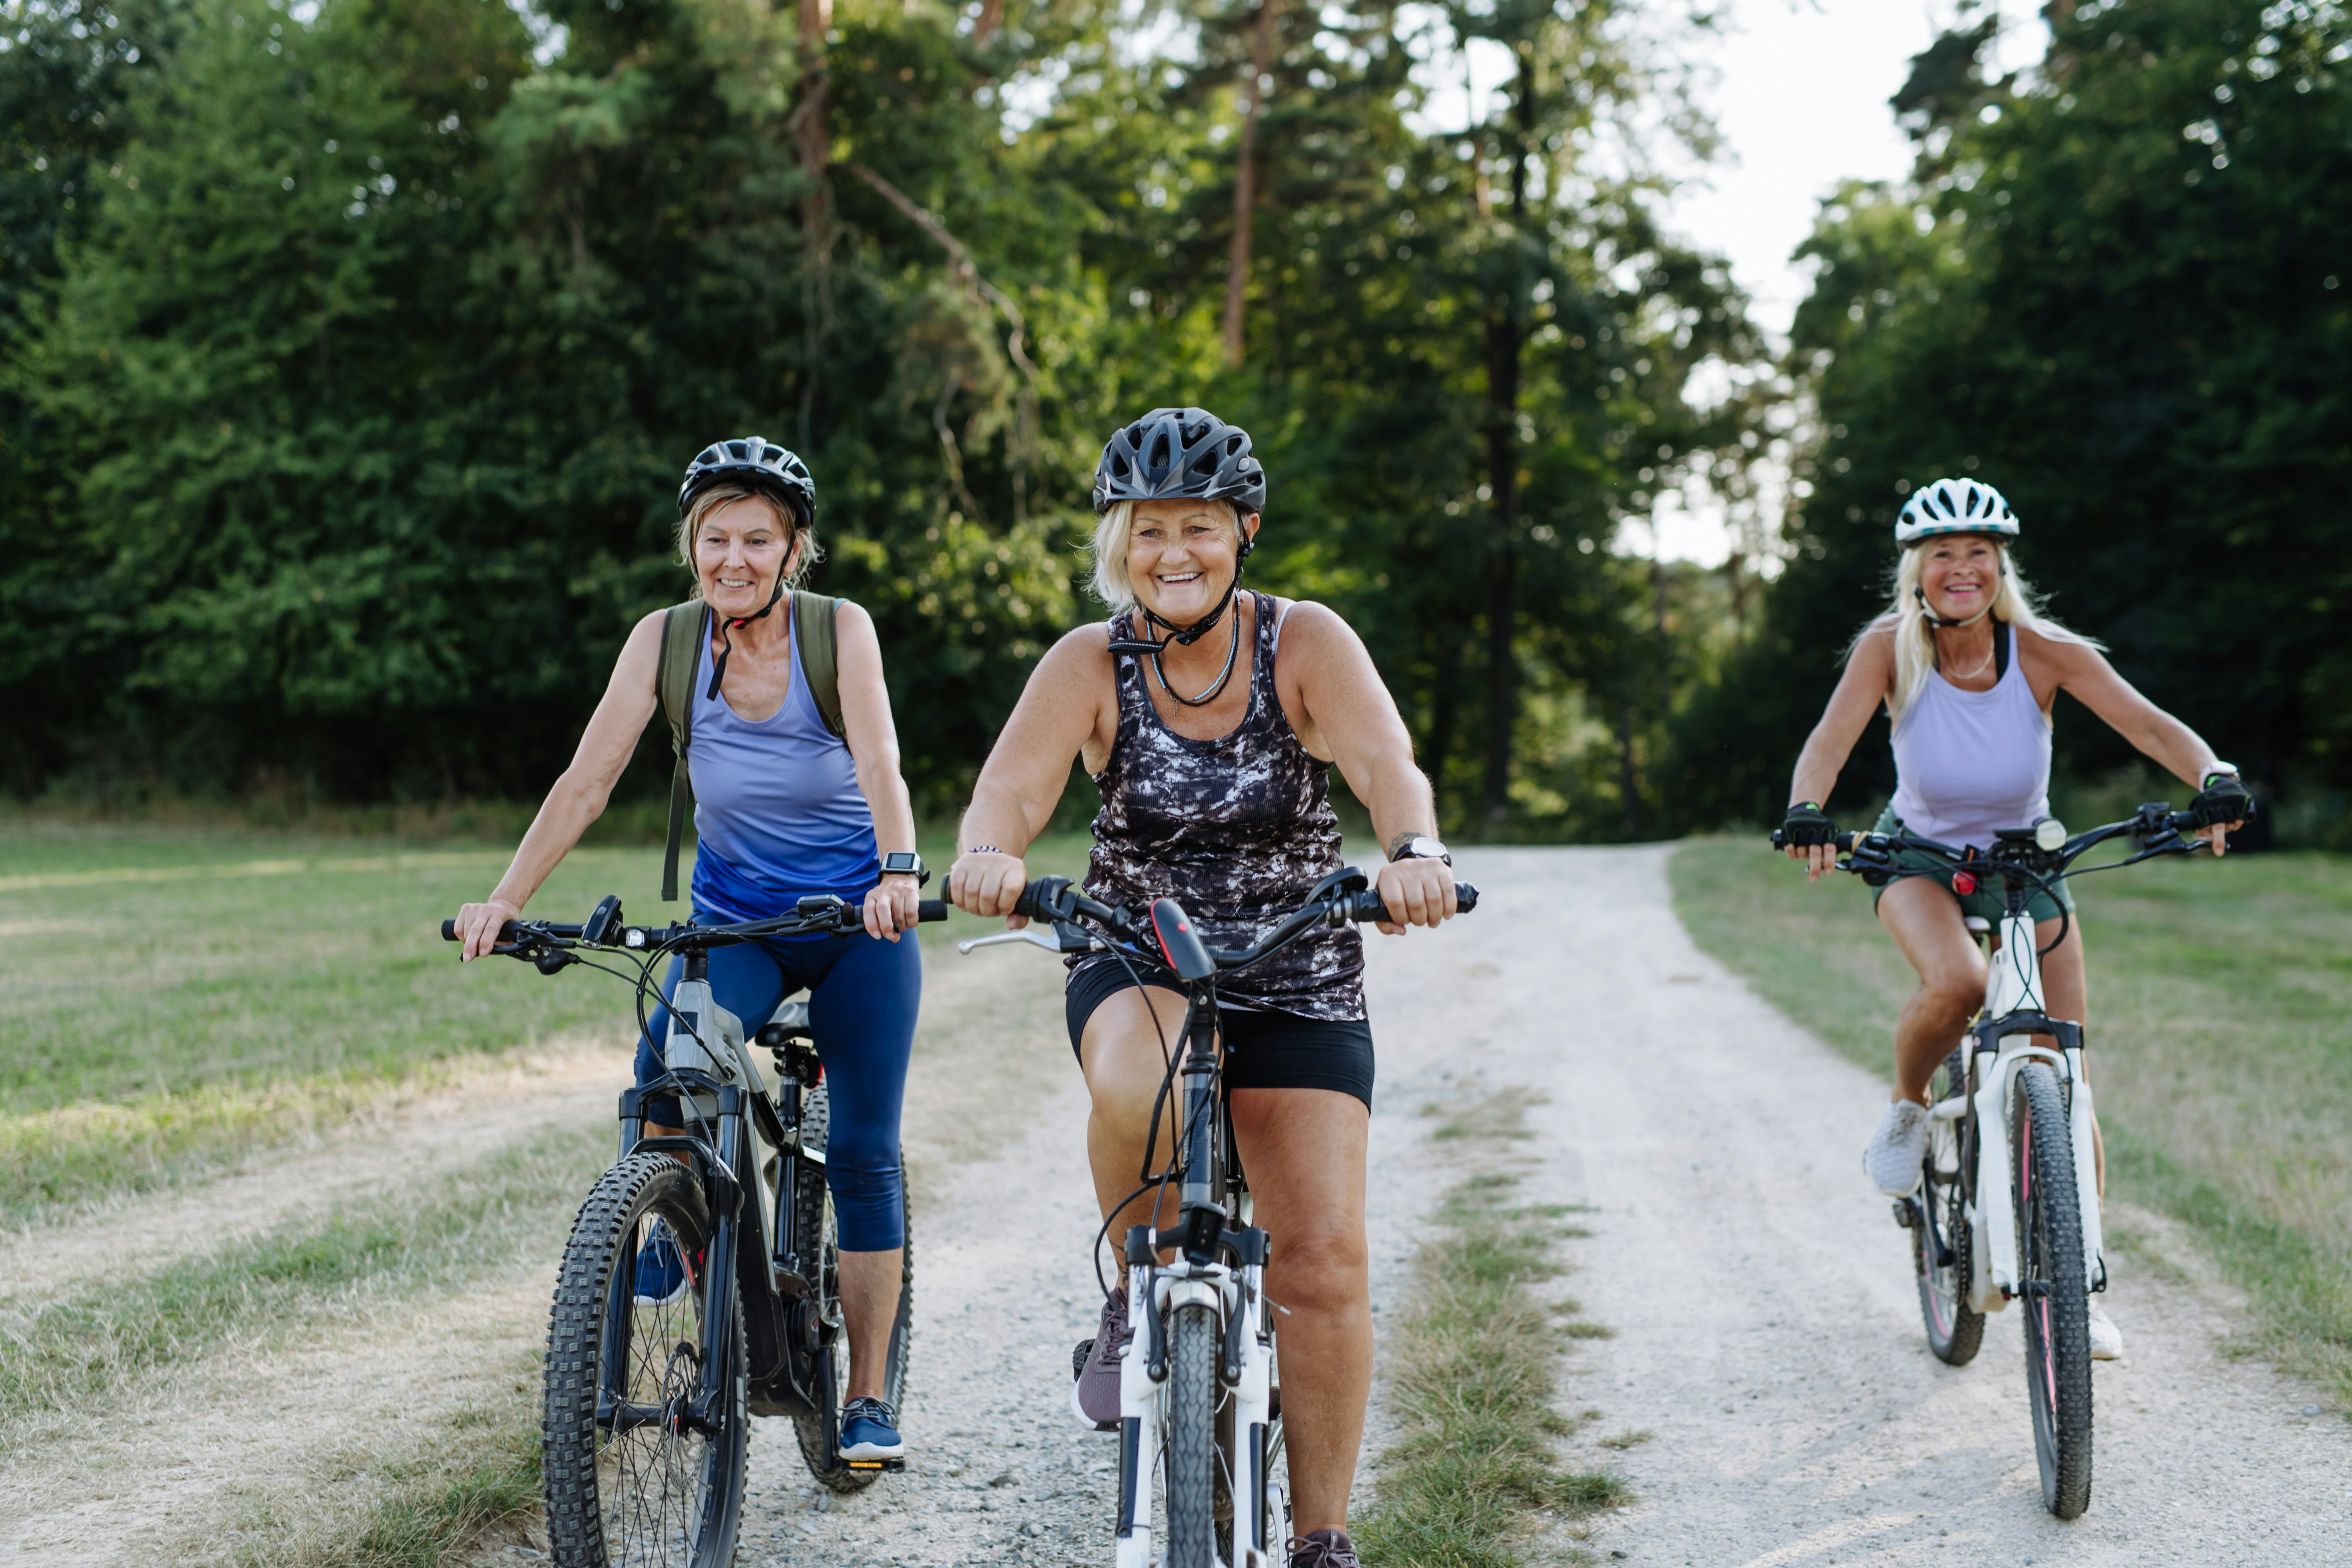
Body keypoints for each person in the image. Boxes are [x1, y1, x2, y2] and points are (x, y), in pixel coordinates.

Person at [950, 407, 1458, 1568]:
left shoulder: (1304, 643)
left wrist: (1417, 850)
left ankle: (1324, 1537)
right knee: (1142, 1084)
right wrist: (991, 853)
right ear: (1119, 542)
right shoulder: (1090, 663)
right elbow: (1009, 792)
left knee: (1321, 1257)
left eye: (1200, 528)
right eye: (1148, 530)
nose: (1173, 552)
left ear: (1245, 534)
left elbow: (1386, 765)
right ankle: (1135, 1294)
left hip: (1298, 954)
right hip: (1138, 945)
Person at [452, 437, 928, 1462]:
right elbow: (588, 778)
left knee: (860, 1151)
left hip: (856, 929)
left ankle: (872, 1394)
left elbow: (883, 756)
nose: (734, 558)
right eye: (716, 538)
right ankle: (681, 1232)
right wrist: (505, 897)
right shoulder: (663, 642)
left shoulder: (838, 631)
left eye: (758, 538)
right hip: (734, 925)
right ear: (692, 545)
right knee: (665, 1077)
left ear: (795, 548)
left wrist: (899, 869)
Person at [1780, 476, 2252, 1361]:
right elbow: (1829, 741)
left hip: (2027, 863)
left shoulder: (2043, 650)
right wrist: (1808, 805)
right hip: (1917, 856)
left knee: (2064, 1067)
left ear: (2001, 568)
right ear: (1918, 571)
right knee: (1957, 982)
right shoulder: (1889, 648)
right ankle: (1909, 1108)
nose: (1962, 569)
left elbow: (2149, 726)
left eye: (1979, 556)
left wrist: (2213, 777)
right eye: (1944, 556)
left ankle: (2081, 1279)